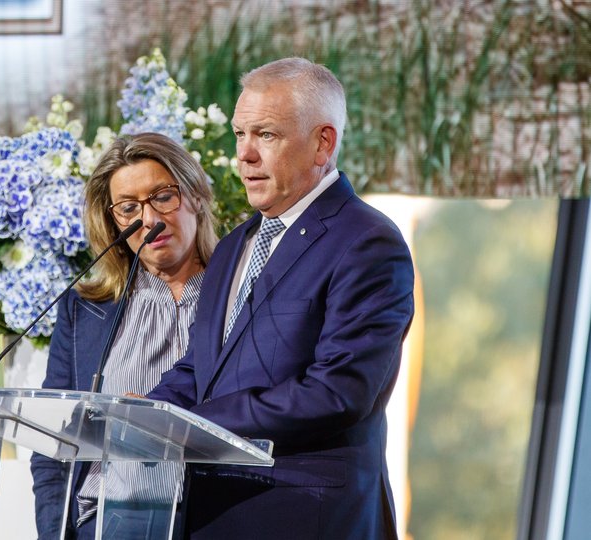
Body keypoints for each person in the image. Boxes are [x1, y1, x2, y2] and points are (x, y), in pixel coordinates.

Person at [146, 58, 415, 539]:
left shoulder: (368, 242)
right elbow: (200, 368)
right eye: (239, 134)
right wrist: (145, 413)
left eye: (265, 135)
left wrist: (191, 421)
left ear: (322, 143)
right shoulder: (233, 246)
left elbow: (337, 393)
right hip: (210, 516)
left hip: (304, 518)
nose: (244, 155)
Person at [30, 132, 218, 539]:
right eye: (129, 208)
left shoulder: (243, 298)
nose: (148, 220)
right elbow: (52, 445)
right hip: (105, 522)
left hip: (210, 519)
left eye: (163, 197)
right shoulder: (85, 310)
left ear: (197, 196)